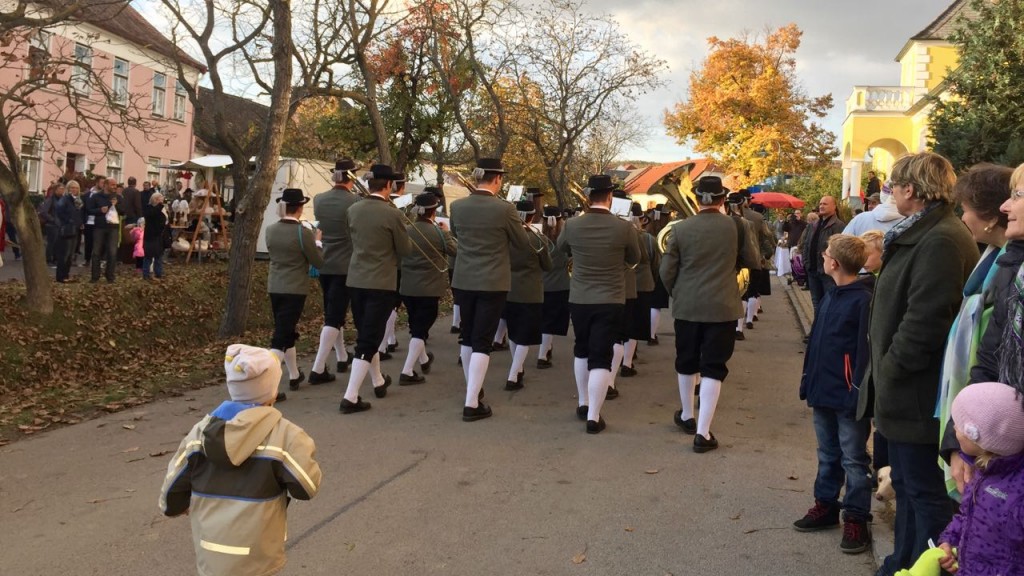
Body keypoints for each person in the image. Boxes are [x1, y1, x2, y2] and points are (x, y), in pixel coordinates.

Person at [856, 151, 979, 576]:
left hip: (915, 391)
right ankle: (902, 563)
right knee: (907, 486)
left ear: (910, 190)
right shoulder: (924, 231)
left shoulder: (941, 237)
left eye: (892, 185)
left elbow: (925, 319)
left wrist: (889, 369)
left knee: (923, 491)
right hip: (907, 390)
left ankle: (921, 567)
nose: (889, 193)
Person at [158, 343, 322, 576]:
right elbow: (307, 487)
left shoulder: (199, 433)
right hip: (260, 555)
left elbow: (170, 495)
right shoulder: (285, 435)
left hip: (211, 552)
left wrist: (177, 506)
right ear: (272, 391)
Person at [945, 162, 1024, 496]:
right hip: (1004, 452)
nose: (1006, 207)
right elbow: (989, 363)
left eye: (1017, 195)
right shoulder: (1015, 271)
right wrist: (961, 439)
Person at [793, 234, 873, 554]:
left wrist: (857, 391)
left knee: (853, 458)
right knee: (827, 453)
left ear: (834, 263)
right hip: (822, 390)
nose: (823, 257)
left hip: (847, 395)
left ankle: (856, 516)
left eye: (826, 254)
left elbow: (863, 351)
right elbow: (816, 343)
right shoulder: (830, 295)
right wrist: (807, 380)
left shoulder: (862, 301)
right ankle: (825, 504)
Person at [661, 176, 754, 452]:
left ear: (698, 199)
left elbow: (666, 271)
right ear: (723, 198)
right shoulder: (739, 225)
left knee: (686, 360)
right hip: (723, 306)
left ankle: (687, 415)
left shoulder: (679, 229)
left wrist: (678, 293)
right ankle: (703, 433)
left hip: (687, 306)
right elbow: (752, 261)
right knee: (714, 366)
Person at [449, 157, 531, 421]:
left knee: (467, 336)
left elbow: (457, 234)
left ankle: (473, 390)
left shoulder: (458, 206)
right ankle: (472, 402)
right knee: (483, 341)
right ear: (497, 179)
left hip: (463, 279)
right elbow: (520, 243)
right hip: (492, 280)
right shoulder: (504, 209)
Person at [558, 174, 640, 434]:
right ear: (610, 197)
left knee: (581, 349)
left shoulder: (571, 225)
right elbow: (635, 257)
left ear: (588, 196)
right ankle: (594, 415)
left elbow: (561, 250)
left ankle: (583, 403)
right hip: (611, 298)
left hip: (580, 297)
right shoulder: (624, 227)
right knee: (601, 355)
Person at [339, 164, 410, 413]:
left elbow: (352, 240)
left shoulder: (353, 209)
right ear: (389, 185)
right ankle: (351, 396)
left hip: (356, 278)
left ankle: (378, 381)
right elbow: (405, 250)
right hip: (381, 281)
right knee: (369, 338)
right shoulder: (393, 214)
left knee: (367, 333)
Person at [936, 382, 1024, 575]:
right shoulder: (983, 471)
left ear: (979, 438)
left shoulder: (1018, 494)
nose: (953, 430)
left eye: (958, 425)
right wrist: (949, 540)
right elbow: (967, 514)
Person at [265, 188, 324, 396]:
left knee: (286, 330)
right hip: (295, 288)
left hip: (275, 285)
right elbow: (317, 261)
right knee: (281, 336)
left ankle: (293, 375)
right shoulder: (303, 232)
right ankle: (267, 386)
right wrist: (317, 242)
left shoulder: (270, 230)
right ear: (299, 208)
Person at [308, 159, 362, 384]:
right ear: (351, 177)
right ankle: (318, 367)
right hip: (345, 263)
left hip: (324, 261)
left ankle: (341, 357)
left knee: (333, 311)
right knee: (334, 315)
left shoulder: (319, 199)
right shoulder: (356, 201)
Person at [398, 190, 456, 384]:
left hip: (407, 285)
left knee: (416, 325)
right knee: (420, 329)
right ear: (434, 211)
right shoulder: (439, 233)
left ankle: (423, 360)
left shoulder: (406, 230)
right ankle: (407, 371)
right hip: (429, 287)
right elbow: (456, 251)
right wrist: (447, 234)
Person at [503, 200, 552, 390]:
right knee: (524, 335)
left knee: (514, 332)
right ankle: (513, 375)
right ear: (532, 216)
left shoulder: (506, 238)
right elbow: (547, 265)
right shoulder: (538, 239)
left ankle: (519, 368)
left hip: (508, 288)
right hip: (531, 291)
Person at [537, 206, 570, 369]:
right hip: (560, 285)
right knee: (549, 322)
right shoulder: (564, 241)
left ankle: (546, 350)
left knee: (543, 320)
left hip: (540, 284)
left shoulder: (538, 238)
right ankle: (543, 355)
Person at [803, 196, 846, 315]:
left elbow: (840, 249)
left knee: (829, 303)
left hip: (828, 273)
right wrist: (806, 262)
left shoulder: (838, 225)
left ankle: (825, 331)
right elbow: (806, 244)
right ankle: (817, 330)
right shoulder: (814, 224)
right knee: (816, 303)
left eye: (825, 204)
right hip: (812, 270)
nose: (821, 206)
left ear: (834, 207)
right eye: (820, 203)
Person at [88, 178, 120, 283]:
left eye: (115, 185)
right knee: (96, 252)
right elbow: (89, 209)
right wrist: (99, 210)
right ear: (105, 185)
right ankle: (95, 277)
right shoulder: (96, 196)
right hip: (99, 227)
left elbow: (124, 211)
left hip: (113, 228)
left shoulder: (118, 197)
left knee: (112, 252)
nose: (114, 186)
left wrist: (117, 206)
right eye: (112, 184)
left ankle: (110, 276)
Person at [53, 183, 81, 283]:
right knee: (64, 254)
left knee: (70, 255)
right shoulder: (65, 199)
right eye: (72, 187)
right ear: (68, 189)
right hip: (66, 229)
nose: (74, 189)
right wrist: (69, 220)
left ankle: (66, 275)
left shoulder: (77, 200)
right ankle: (60, 277)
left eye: (76, 188)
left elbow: (79, 213)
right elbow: (59, 211)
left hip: (75, 230)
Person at [142, 192, 167, 280]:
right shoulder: (149, 208)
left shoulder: (161, 209)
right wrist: (159, 206)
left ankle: (158, 273)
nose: (162, 201)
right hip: (150, 236)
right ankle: (146, 274)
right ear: (155, 199)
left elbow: (164, 220)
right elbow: (151, 214)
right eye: (160, 199)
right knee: (148, 256)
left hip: (158, 236)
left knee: (158, 256)